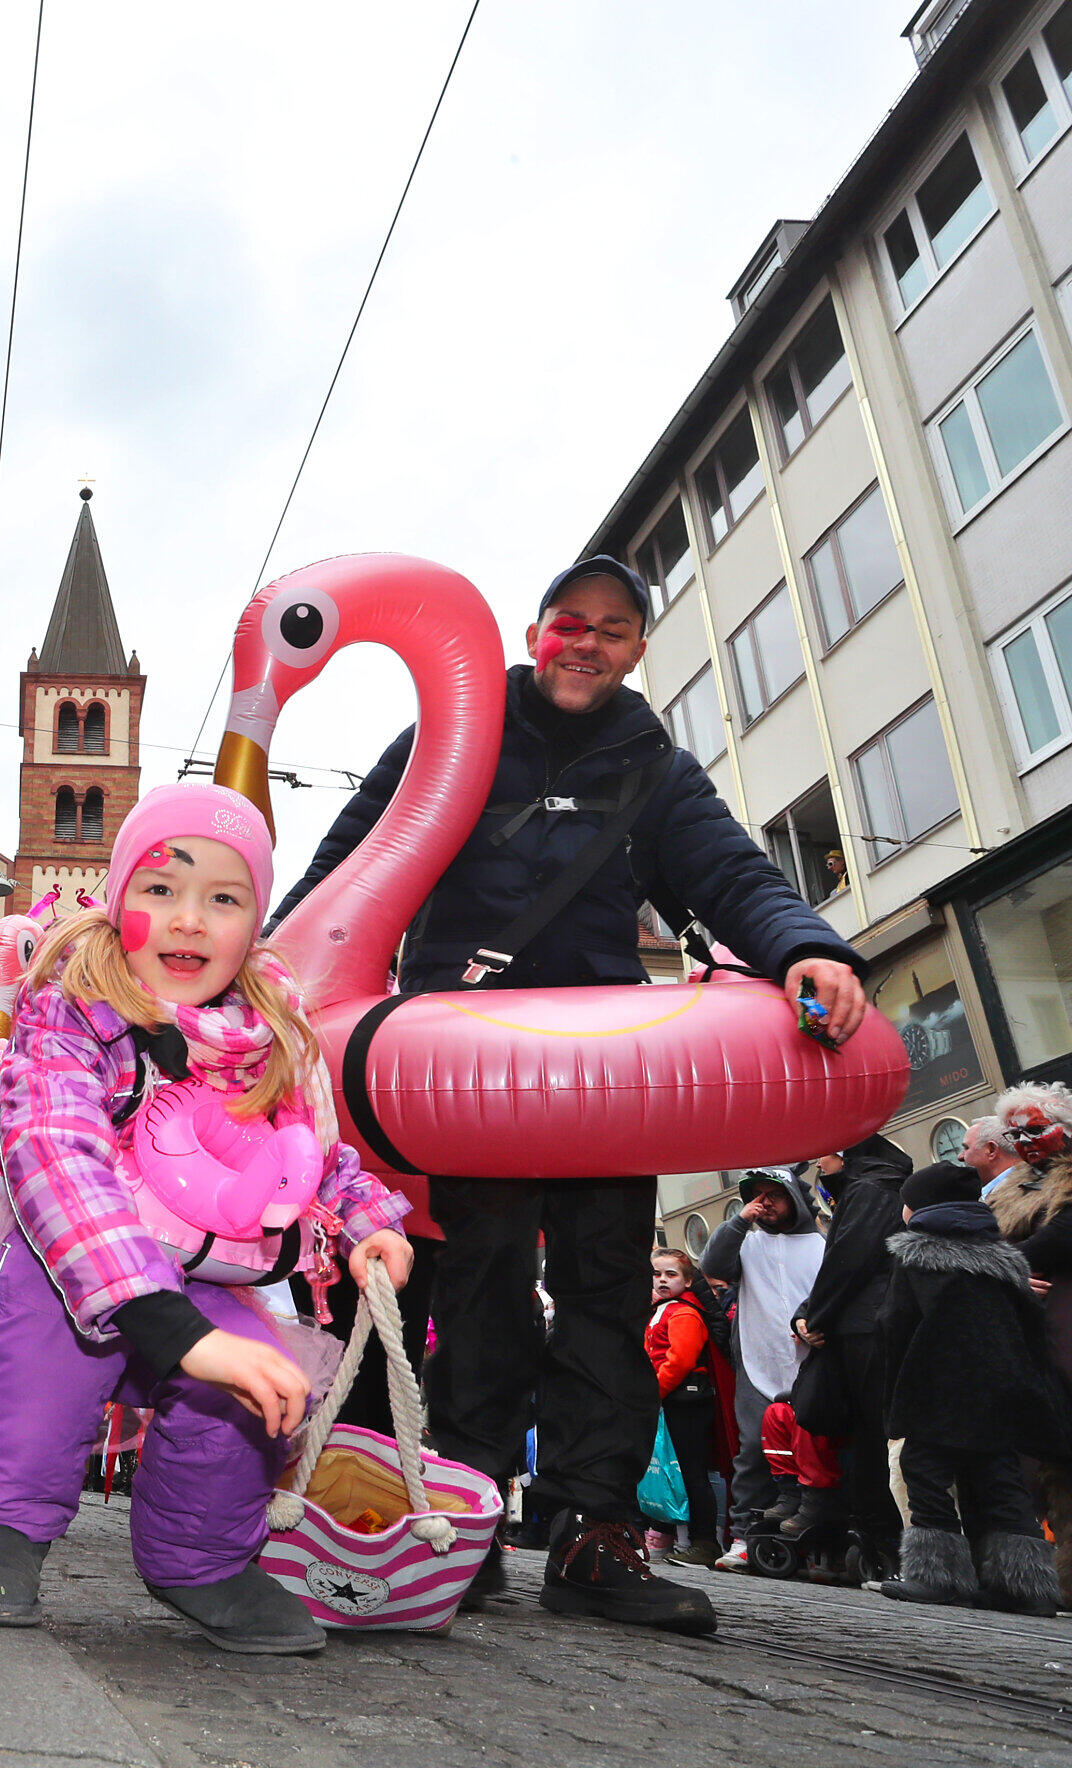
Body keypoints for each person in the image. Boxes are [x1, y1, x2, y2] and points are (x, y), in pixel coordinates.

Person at [273, 556, 862, 1634]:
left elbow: (731, 876)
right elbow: (342, 870)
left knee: (602, 1299)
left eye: (613, 629)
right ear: (536, 631)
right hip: (463, 1070)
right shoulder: (449, 736)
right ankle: (458, 1518)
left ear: (637, 648)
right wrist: (264, 983)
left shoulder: (656, 769)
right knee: (477, 1295)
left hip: (601, 1076)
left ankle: (596, 1531)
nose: (585, 643)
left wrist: (807, 946)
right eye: (567, 623)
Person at [0, 783, 411, 1653]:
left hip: (200, 1275)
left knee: (259, 1385)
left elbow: (300, 1151)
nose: (190, 920)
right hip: (74, 1259)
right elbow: (54, 1150)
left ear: (253, 924)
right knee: (47, 1357)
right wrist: (157, 1316)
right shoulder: (73, 1010)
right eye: (162, 889)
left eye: (223, 899)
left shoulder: (261, 1034)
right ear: (120, 902)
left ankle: (203, 1559)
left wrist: (368, 1216)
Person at [876, 1162, 1069, 1615]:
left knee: (925, 1474)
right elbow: (1032, 1330)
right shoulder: (1006, 1260)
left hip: (935, 1392)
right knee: (999, 1480)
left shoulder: (916, 1258)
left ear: (919, 1207)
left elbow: (893, 1326)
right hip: (1003, 1395)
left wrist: (893, 1402)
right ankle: (1025, 1587)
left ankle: (938, 1576)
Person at [788, 1134, 911, 1579]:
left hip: (866, 1329)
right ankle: (879, 1539)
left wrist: (814, 1317)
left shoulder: (872, 1188)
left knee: (871, 1438)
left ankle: (888, 1544)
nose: (818, 1167)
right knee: (863, 1439)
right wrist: (808, 1316)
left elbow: (850, 1258)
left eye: (823, 1157)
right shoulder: (871, 1186)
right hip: (861, 1324)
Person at [700, 1168, 827, 1569]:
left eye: (774, 1194)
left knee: (817, 1450)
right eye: (757, 1194)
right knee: (754, 1450)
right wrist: (739, 1220)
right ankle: (745, 1536)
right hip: (758, 1361)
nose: (765, 1201)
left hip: (815, 1364)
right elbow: (713, 1264)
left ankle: (820, 1537)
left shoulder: (823, 1243)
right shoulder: (747, 1243)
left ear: (794, 1195)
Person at [988, 1082, 1072, 1609]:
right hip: (1027, 1338)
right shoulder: (1009, 1189)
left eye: (1036, 1129)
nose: (1026, 1140)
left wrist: (1007, 1263)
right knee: (1036, 1459)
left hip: (1063, 1326)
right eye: (1016, 1133)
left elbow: (1060, 1238)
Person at [646, 1248, 721, 1565]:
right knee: (667, 1471)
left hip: (685, 1402)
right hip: (668, 1400)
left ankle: (704, 1542)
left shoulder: (685, 1314)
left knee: (691, 1471)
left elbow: (679, 1362)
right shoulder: (664, 1310)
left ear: (688, 1280)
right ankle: (664, 1537)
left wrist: (653, 1394)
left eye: (671, 1274)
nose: (662, 1280)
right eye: (658, 1274)